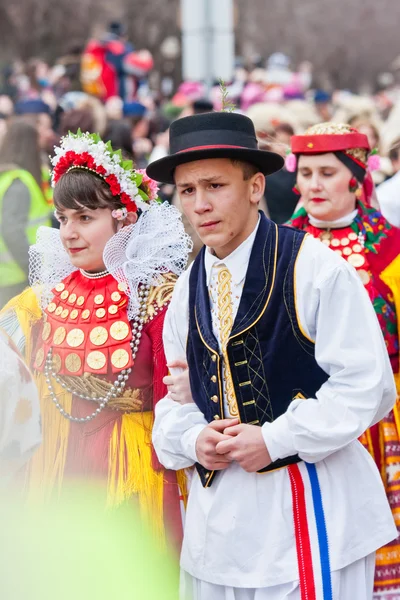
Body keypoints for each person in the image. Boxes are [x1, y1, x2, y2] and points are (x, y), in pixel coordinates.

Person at [146, 111, 397, 599]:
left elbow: (368, 386)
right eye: (187, 190)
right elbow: (174, 403)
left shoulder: (316, 269)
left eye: (215, 185)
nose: (200, 204)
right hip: (219, 528)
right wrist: (194, 438)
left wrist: (277, 437)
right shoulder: (186, 289)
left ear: (256, 187)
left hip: (308, 511)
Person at [0, 130, 192, 549]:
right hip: (58, 469)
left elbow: (176, 401)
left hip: (138, 473)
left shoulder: (159, 296)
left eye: (85, 218)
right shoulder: (41, 299)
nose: (69, 232)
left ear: (124, 218)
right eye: (63, 218)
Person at [286, 121, 400, 598]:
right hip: (302, 414)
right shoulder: (282, 245)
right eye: (306, 172)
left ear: (356, 178)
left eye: (327, 172)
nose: (313, 185)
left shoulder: (389, 246)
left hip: (383, 417)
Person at [0, 117, 51, 307]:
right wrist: (34, 271)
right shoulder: (19, 182)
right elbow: (12, 232)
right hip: (16, 279)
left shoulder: (11, 177)